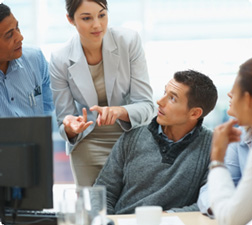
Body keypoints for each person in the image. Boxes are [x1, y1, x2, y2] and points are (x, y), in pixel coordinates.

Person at [49, 0, 155, 186]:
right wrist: (70, 127)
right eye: (86, 18)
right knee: (93, 209)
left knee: (131, 208)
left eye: (102, 15)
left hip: (132, 139)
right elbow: (63, 119)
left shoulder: (129, 41)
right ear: (70, 20)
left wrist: (118, 111)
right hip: (88, 143)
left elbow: (146, 105)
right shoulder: (60, 59)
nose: (97, 24)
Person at [94, 70, 218, 215]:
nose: (160, 101)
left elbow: (209, 204)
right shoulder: (132, 137)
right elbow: (102, 193)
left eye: (172, 98)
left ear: (195, 113)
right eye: (164, 92)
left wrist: (164, 218)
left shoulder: (213, 147)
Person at [207, 58, 252, 225]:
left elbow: (231, 219)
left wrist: (217, 160)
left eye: (236, 90)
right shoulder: (242, 134)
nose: (230, 94)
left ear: (248, 100)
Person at [0, 3, 54, 117]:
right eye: (9, 35)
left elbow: (50, 109)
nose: (20, 37)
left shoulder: (36, 59)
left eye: (17, 27)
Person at [197, 126, 251, 218]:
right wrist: (218, 207)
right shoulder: (240, 135)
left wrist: (217, 159)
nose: (229, 112)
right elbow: (210, 190)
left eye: (236, 109)